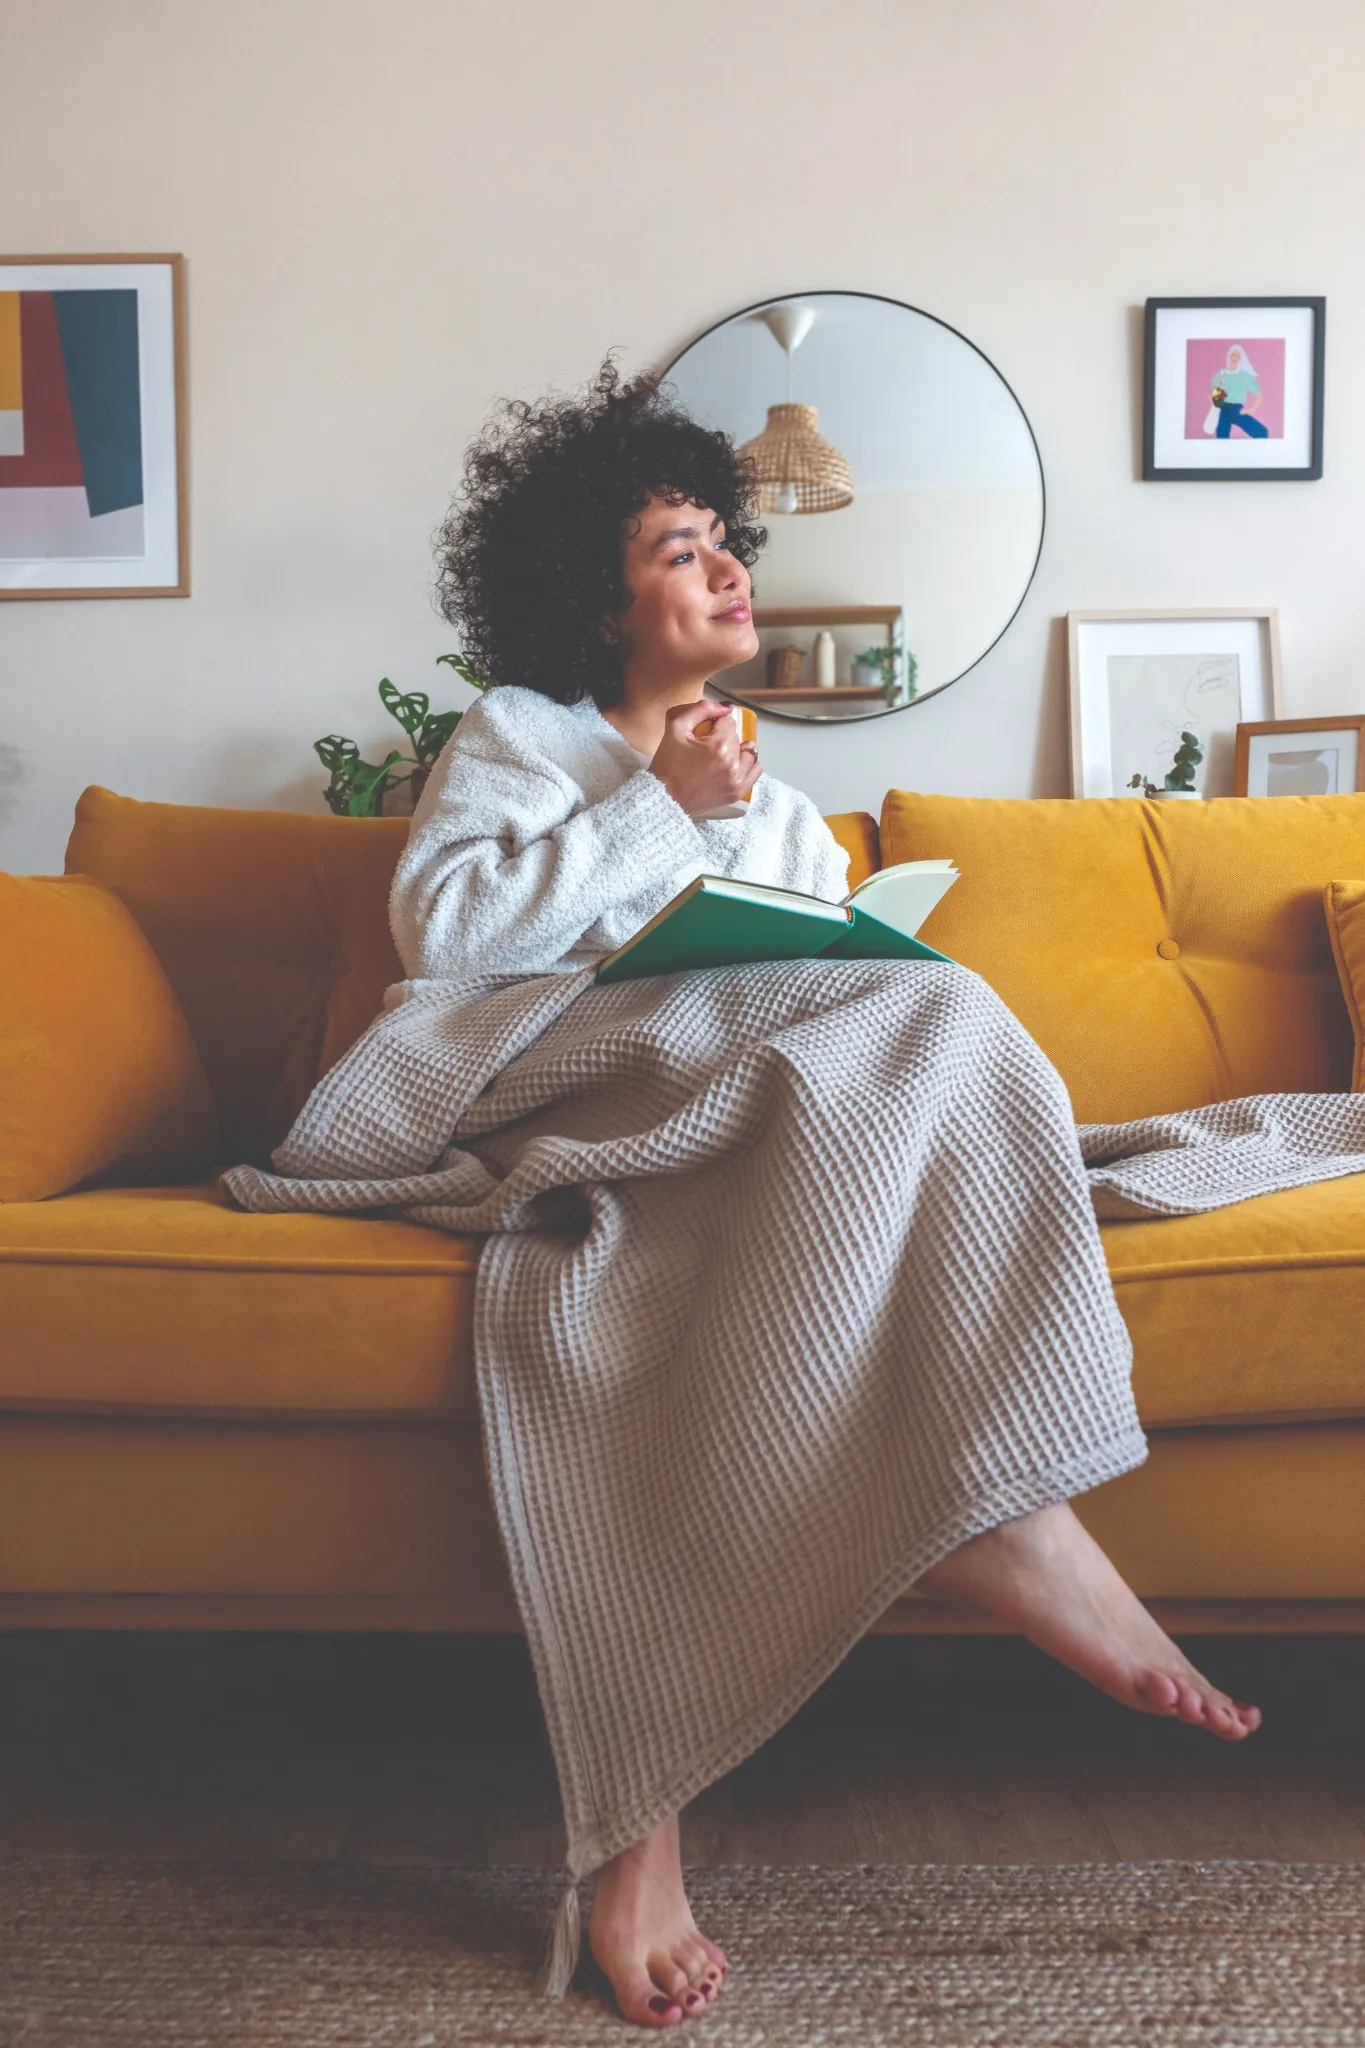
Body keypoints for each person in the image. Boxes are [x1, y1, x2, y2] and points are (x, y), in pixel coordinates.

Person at [399, 356, 1264, 2029]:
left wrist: (765, 853)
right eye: (677, 548)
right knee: (927, 1018)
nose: (728, 565)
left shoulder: (776, 793)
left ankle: (1000, 1517)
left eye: (730, 539)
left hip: (736, 1126)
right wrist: (660, 809)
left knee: (928, 1004)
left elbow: (830, 976)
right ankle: (1010, 1521)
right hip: (551, 1094)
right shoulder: (524, 736)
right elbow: (446, 946)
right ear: (593, 598)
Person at [1211, 344, 1269, 439]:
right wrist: (1219, 385)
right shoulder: (1219, 375)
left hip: (1237, 409)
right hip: (1223, 409)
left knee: (1262, 432)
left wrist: (1251, 410)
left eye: (1237, 356)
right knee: (1221, 438)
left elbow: (1260, 397)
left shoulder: (1246, 376)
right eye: (1232, 355)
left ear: (1241, 359)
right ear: (1228, 357)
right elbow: (1215, 399)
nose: (1234, 358)